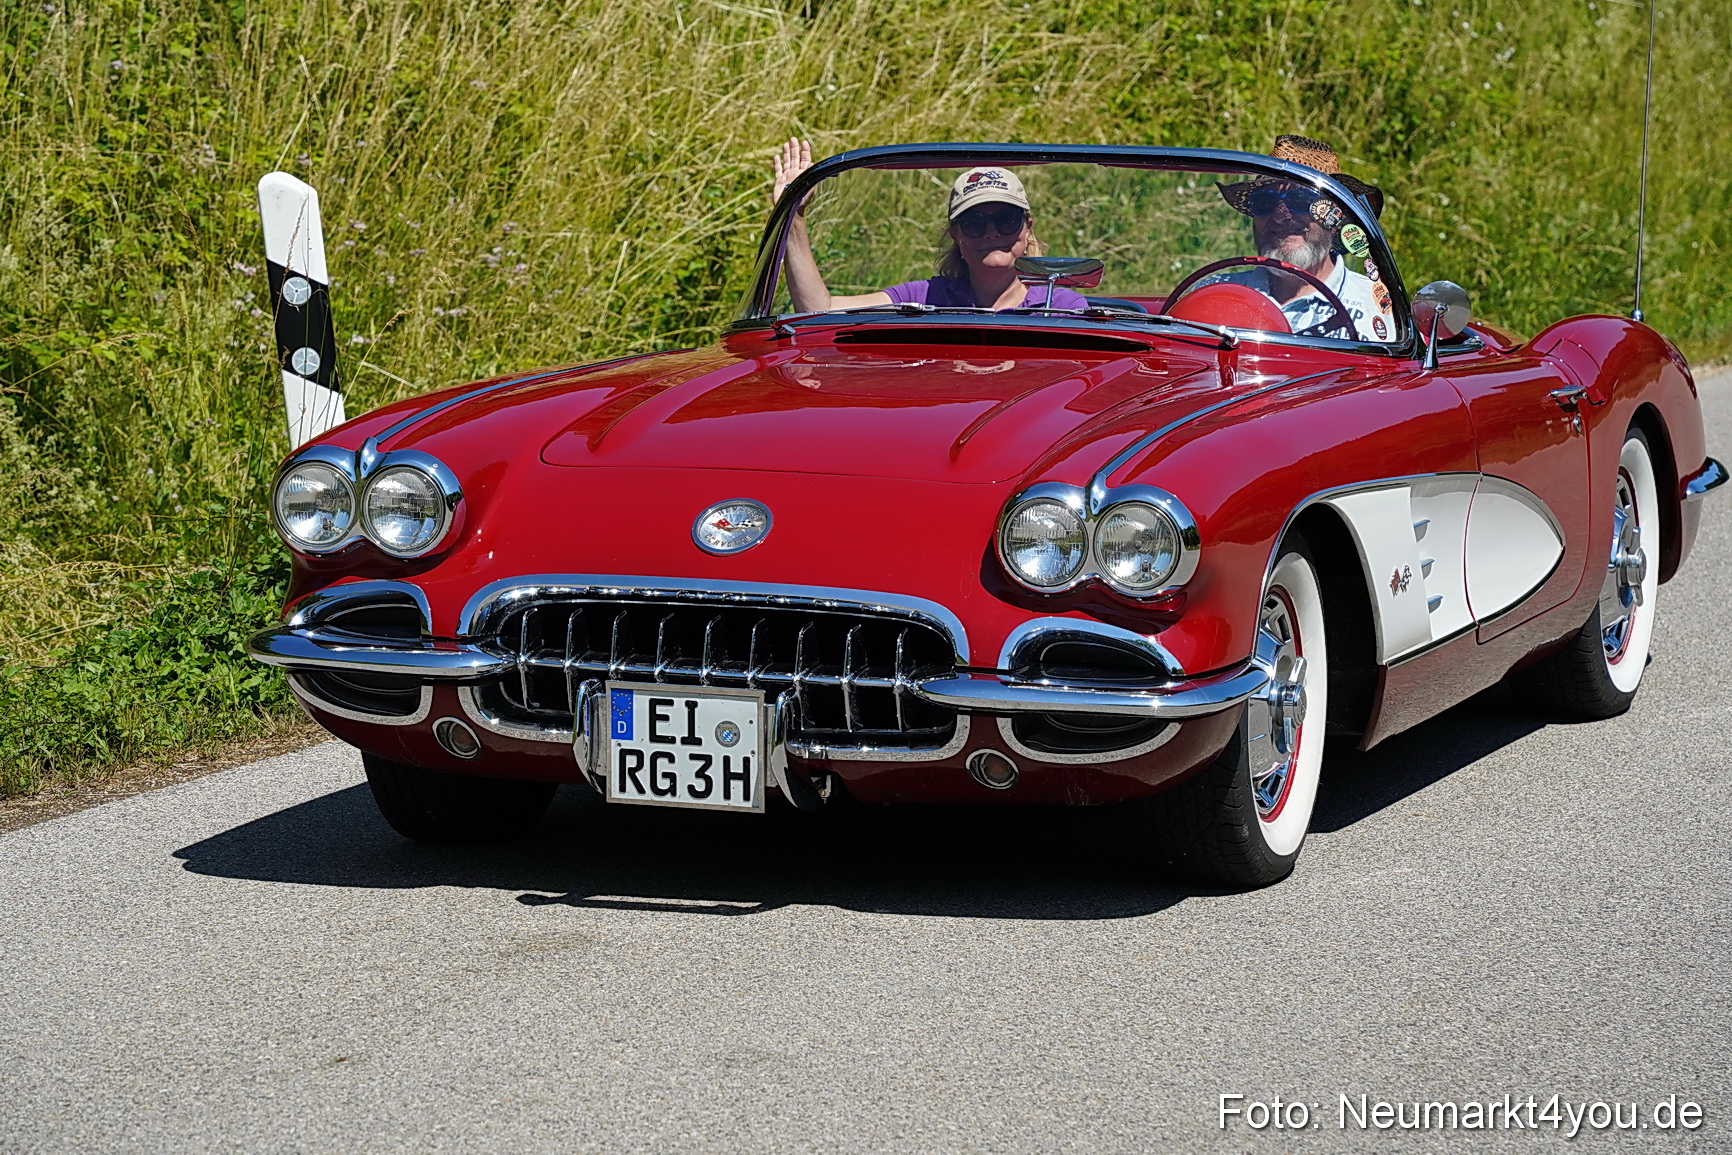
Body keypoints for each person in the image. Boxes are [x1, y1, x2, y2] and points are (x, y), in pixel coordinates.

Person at [770, 137, 1088, 314]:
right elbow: (818, 310)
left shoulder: (1060, 307)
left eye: (1006, 220)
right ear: (956, 235)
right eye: (975, 222)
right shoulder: (926, 297)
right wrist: (794, 216)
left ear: (1027, 227)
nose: (992, 232)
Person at [1214, 135, 1395, 341]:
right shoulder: (1214, 296)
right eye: (1264, 202)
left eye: (1300, 200)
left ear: (1335, 217)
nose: (1281, 216)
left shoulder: (1379, 308)